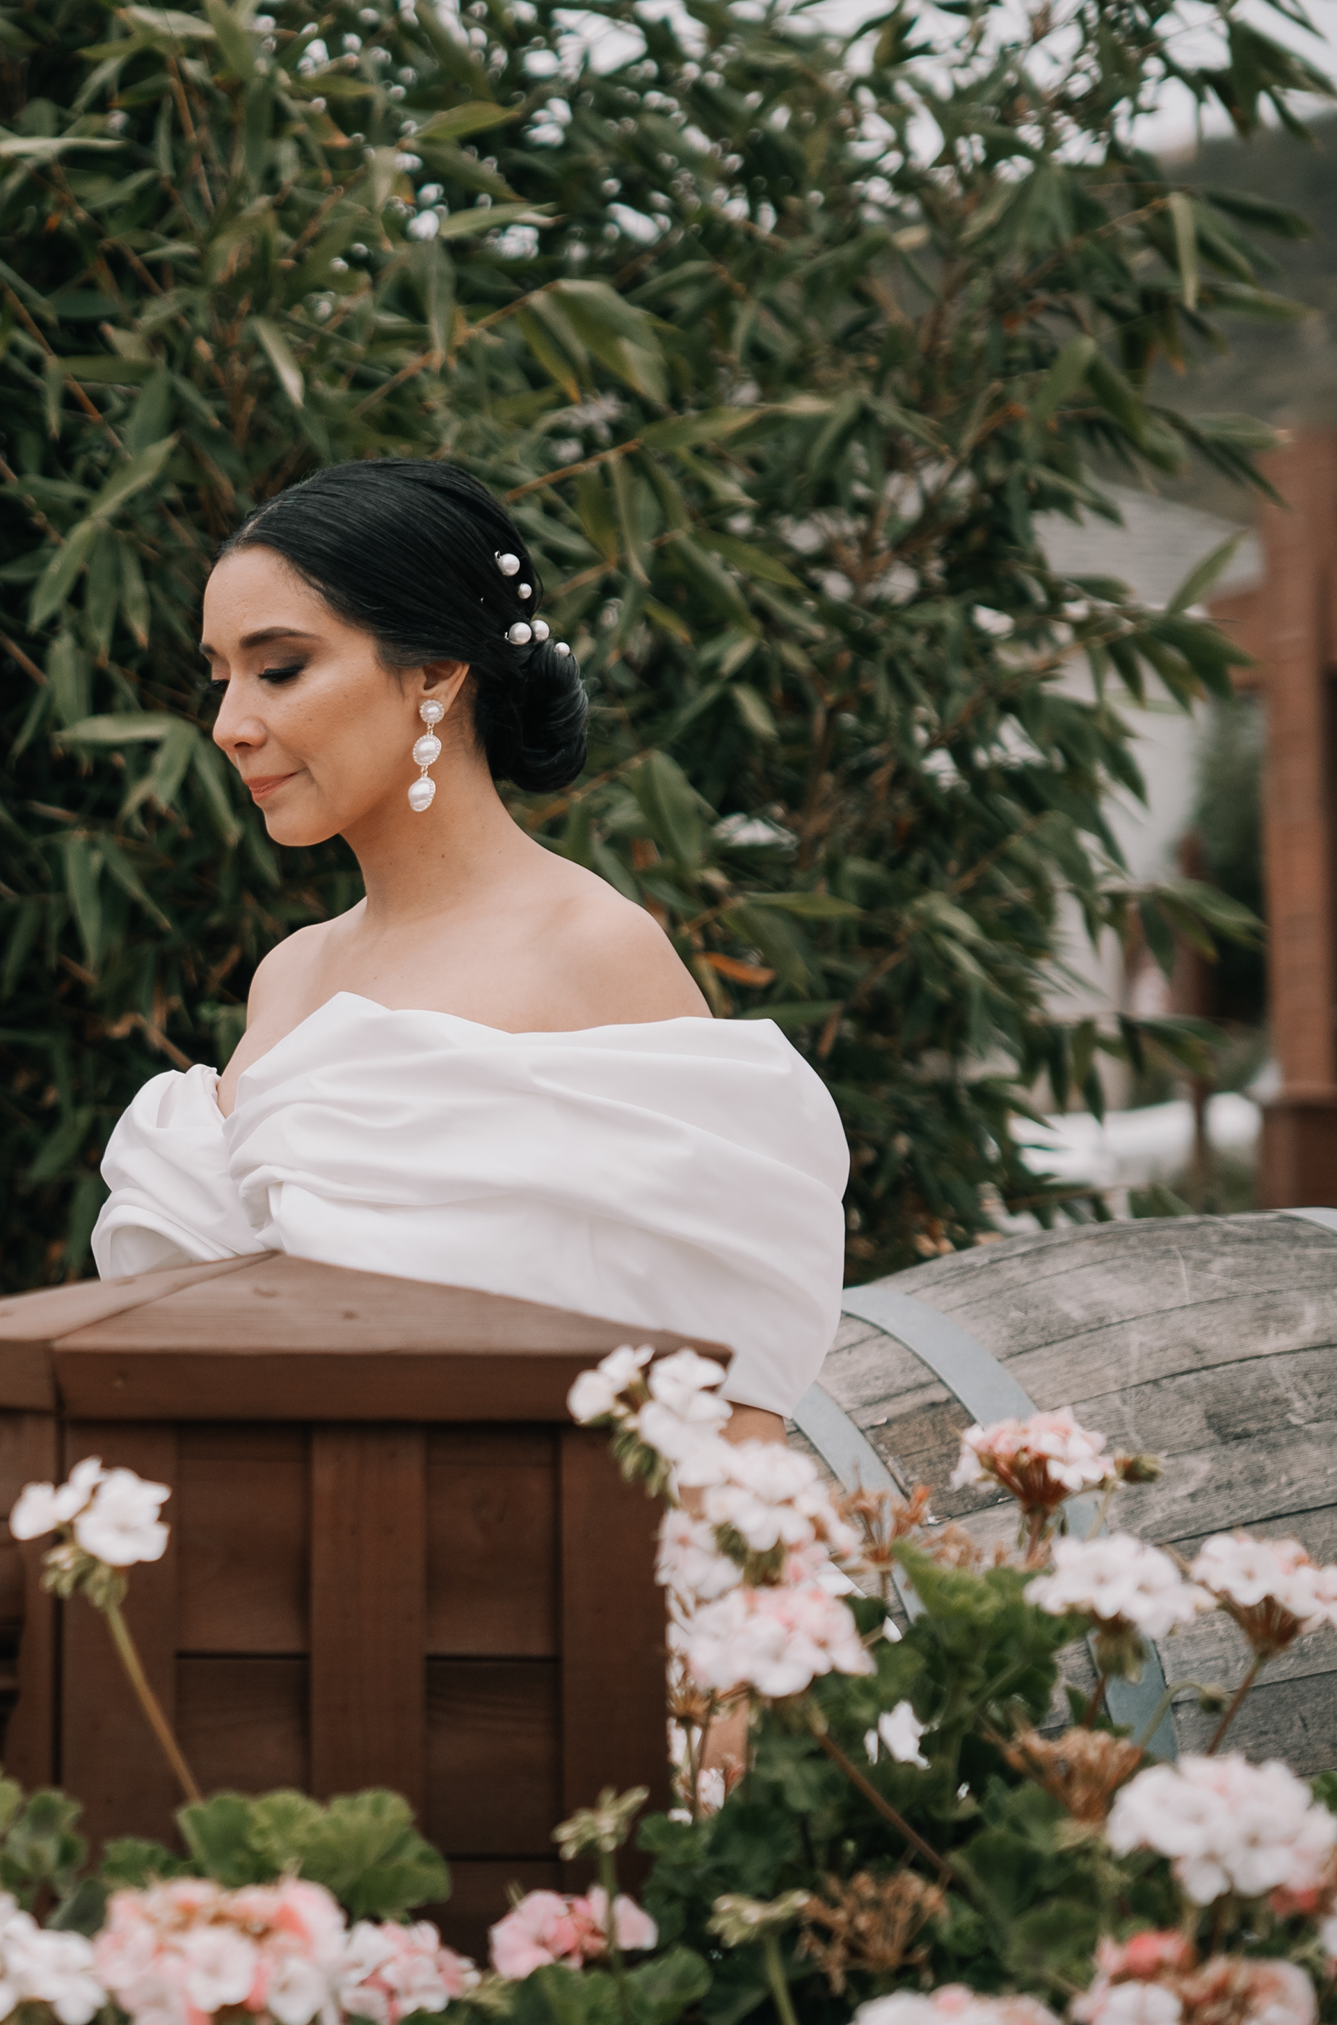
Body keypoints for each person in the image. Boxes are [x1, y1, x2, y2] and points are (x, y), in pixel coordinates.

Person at [89, 457, 846, 1439]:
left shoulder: (591, 948)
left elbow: (733, 1391)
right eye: (221, 678)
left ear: (435, 673)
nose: (230, 725)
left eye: (278, 671)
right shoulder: (289, 972)